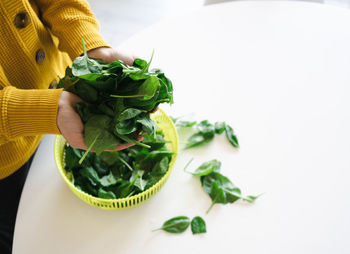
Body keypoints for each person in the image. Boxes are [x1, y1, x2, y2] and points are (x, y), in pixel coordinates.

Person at [0, 1, 136, 253]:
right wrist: (47, 111)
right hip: (5, 163)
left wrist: (89, 46)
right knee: (20, 236)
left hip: (63, 94)